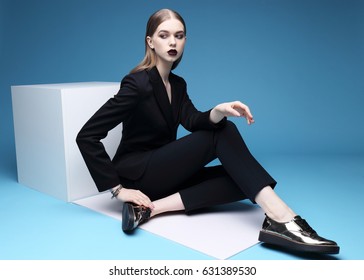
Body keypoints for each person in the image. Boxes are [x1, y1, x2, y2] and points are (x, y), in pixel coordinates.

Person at [76, 8, 339, 254]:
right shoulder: (137, 83)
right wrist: (118, 190)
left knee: (245, 180)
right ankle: (282, 219)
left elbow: (192, 120)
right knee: (224, 136)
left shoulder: (177, 85)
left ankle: (149, 210)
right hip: (139, 175)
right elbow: (87, 136)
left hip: (164, 174)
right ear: (150, 42)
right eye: (164, 35)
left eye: (179, 36)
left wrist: (219, 110)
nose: (172, 43)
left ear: (185, 41)